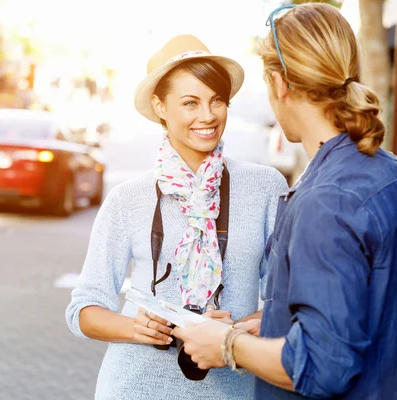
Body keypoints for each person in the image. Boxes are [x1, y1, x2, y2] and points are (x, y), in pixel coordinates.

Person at [172, 4, 397, 399]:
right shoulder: (387, 171)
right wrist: (274, 320)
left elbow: (323, 365)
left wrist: (227, 345)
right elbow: (368, 304)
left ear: (279, 83)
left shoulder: (328, 199)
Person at [65, 34, 288, 399]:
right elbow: (84, 309)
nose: (208, 115)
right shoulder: (128, 199)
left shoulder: (265, 187)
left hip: (233, 389)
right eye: (190, 102)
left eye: (217, 100)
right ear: (160, 107)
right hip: (135, 387)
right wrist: (138, 328)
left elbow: (285, 300)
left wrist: (235, 331)